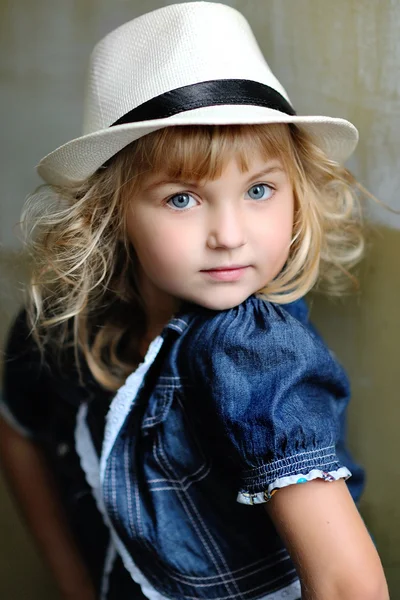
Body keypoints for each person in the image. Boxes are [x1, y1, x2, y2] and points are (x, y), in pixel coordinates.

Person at [0, 2, 389, 599]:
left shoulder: (254, 350)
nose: (229, 235)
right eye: (183, 199)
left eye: (259, 189)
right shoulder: (60, 320)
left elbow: (346, 584)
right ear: (111, 213)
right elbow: (18, 430)